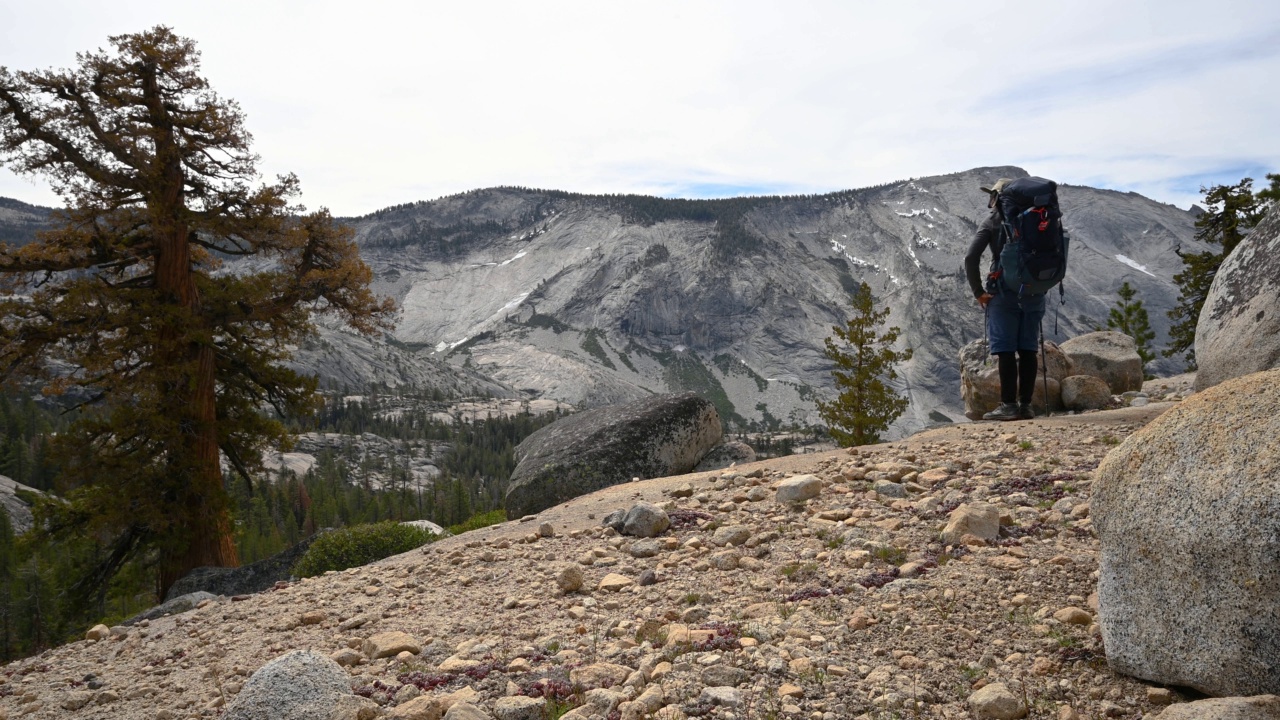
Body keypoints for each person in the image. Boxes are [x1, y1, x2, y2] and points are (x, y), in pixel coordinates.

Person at [965, 178, 1047, 421]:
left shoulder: (993, 222)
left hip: (1003, 291)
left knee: (1006, 350)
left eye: (992, 196)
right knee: (1029, 349)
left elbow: (971, 257)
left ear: (998, 198)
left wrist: (978, 291)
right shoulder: (1038, 220)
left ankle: (1009, 405)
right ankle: (1027, 406)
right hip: (1034, 291)